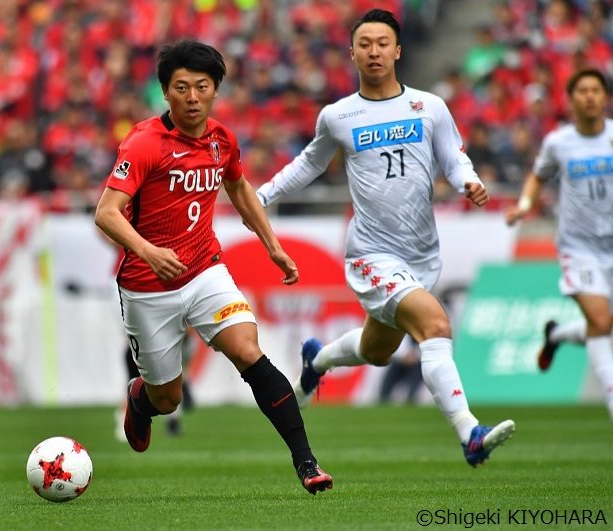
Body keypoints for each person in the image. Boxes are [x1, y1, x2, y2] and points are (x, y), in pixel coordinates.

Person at [255, 9, 516, 467]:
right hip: (370, 254)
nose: (374, 51)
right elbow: (309, 165)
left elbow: (453, 157)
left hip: (421, 253)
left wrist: (468, 181)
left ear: (398, 50)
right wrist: (262, 195)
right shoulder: (339, 115)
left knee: (378, 351)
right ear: (352, 52)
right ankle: (468, 433)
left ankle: (317, 359)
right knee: (434, 326)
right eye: (364, 44)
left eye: (382, 43)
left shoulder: (429, 106)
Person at [94, 40, 333, 494]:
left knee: (248, 351)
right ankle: (141, 400)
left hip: (205, 270)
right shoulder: (144, 143)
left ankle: (306, 463)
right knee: (169, 397)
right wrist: (148, 251)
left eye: (201, 86)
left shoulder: (222, 139)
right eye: (180, 87)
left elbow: (240, 190)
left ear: (216, 90)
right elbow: (106, 212)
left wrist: (273, 246)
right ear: (165, 92)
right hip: (148, 286)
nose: (191, 96)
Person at [506, 67, 613, 420]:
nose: (590, 96)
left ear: (604, 97)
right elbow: (537, 177)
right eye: (582, 91)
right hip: (578, 247)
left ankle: (557, 335)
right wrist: (523, 205)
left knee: (605, 322)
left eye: (596, 90)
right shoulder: (559, 142)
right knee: (601, 319)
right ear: (570, 100)